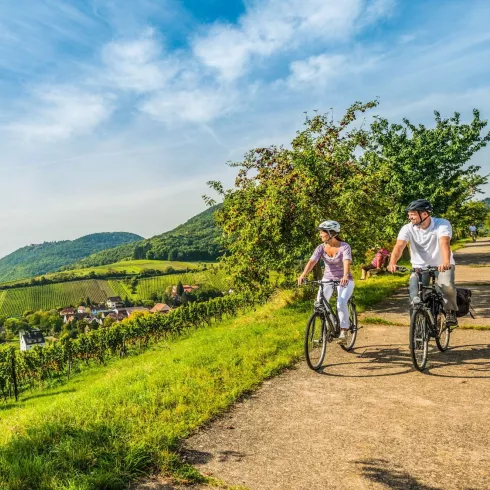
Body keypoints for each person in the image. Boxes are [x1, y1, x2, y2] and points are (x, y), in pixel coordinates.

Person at [387, 199, 458, 326]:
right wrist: (392, 262)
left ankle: (450, 311)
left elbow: (444, 242)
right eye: (409, 214)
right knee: (414, 296)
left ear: (424, 214)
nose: (410, 217)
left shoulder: (441, 224)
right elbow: (399, 246)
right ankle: (418, 326)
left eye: (413, 214)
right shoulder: (407, 228)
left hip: (442, 264)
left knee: (446, 286)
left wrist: (446, 261)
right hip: (419, 266)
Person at [298, 220, 354, 342]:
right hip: (328, 278)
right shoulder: (321, 248)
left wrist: (345, 275)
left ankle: (344, 331)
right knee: (320, 304)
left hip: (345, 280)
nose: (320, 235)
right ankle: (331, 324)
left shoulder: (344, 247)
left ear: (331, 233)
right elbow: (312, 261)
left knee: (341, 302)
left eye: (322, 232)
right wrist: (303, 274)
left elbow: (346, 261)